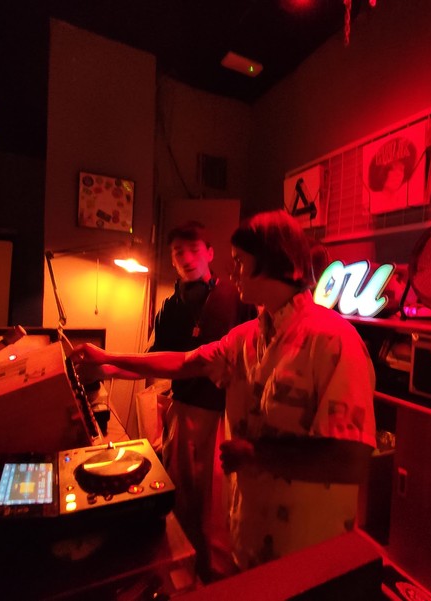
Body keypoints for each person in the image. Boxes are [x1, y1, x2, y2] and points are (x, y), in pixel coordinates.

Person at [70, 210, 377, 571]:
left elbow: (351, 462)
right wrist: (107, 358)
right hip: (251, 536)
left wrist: (256, 455)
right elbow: (185, 362)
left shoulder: (334, 340)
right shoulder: (246, 338)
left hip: (306, 547)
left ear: (272, 262)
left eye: (240, 262)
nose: (233, 272)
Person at [147, 220, 253, 582]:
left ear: (209, 253)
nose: (187, 258)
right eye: (178, 252)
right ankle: (185, 574)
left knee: (217, 507)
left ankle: (218, 579)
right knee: (181, 498)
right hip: (181, 411)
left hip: (223, 415)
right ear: (171, 260)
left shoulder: (235, 297)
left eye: (194, 250)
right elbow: (159, 356)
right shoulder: (168, 307)